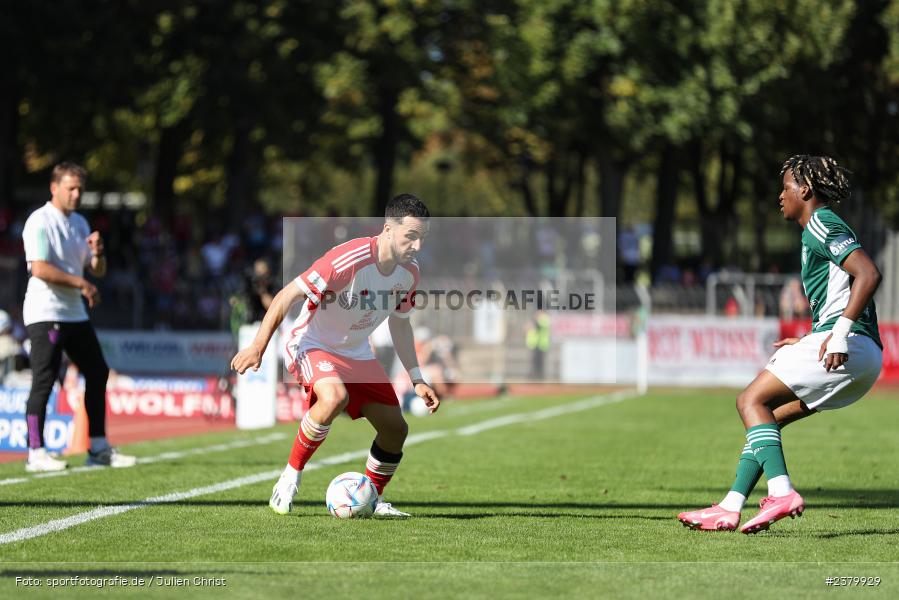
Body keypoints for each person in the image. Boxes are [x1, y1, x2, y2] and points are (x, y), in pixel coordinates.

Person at [678, 155, 882, 533]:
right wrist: (812, 337)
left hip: (848, 343)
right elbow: (844, 293)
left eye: (786, 187)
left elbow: (868, 274)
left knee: (749, 401)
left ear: (804, 190)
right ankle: (730, 505)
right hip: (861, 353)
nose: (780, 196)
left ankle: (781, 491)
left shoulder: (821, 222)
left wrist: (835, 335)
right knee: (770, 416)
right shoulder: (815, 232)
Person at [231, 194, 440, 518]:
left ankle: (371, 497)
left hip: (356, 352)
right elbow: (287, 295)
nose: (416, 246)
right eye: (410, 236)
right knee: (334, 398)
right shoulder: (349, 259)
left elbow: (401, 324)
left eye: (421, 238)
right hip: (312, 343)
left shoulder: (410, 273)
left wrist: (417, 378)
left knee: (396, 430)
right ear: (388, 229)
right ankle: (289, 479)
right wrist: (258, 347)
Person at [21, 162, 136, 472]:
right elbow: (39, 268)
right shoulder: (39, 221)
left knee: (97, 372)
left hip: (74, 312)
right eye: (70, 188)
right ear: (54, 187)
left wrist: (97, 254)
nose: (75, 194)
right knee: (44, 380)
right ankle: (36, 452)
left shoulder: (81, 224)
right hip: (46, 311)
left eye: (79, 189)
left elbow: (96, 270)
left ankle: (98, 447)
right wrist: (83, 283)